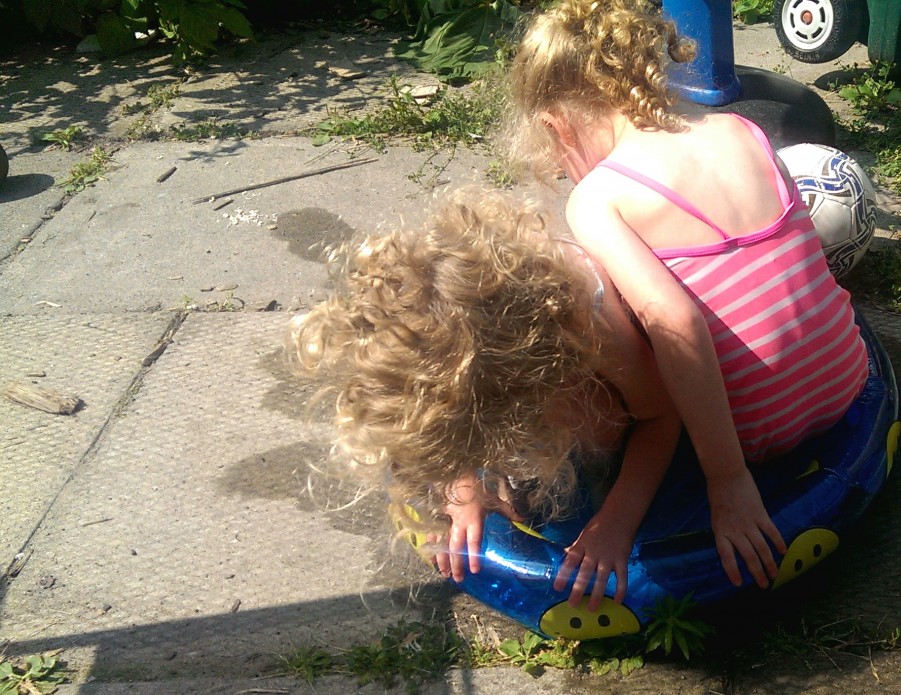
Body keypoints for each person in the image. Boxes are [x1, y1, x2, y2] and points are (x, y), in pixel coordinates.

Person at [502, 0, 869, 595]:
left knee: (598, 301)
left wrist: (725, 480)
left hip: (753, 433)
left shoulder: (599, 198)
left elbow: (675, 320)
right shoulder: (741, 129)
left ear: (555, 124)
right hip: (844, 376)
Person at [291, 187, 681, 612]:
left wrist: (615, 524)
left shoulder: (586, 318)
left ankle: (594, 470)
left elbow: (662, 416)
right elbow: (450, 395)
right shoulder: (434, 322)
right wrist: (463, 490)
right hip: (511, 371)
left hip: (608, 391)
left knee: (582, 432)